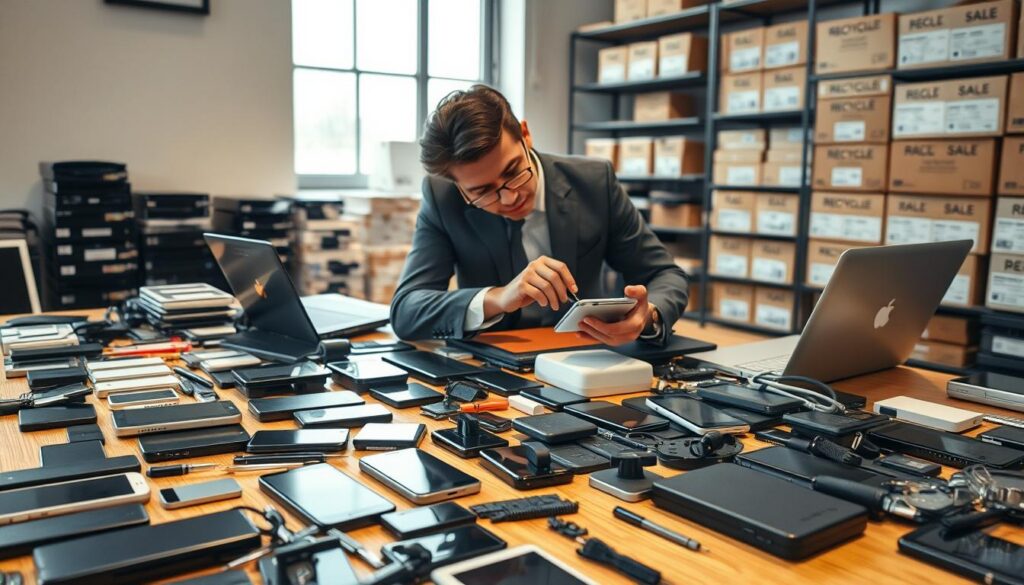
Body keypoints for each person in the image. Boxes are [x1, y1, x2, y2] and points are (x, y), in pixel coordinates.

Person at [390, 85, 689, 346]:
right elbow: (406, 310)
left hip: (585, 354)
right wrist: (499, 297)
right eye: (483, 192)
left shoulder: (594, 182)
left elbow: (665, 275)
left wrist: (646, 316)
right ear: (458, 186)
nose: (509, 197)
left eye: (513, 172)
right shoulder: (443, 198)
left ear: (525, 134)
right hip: (491, 366)